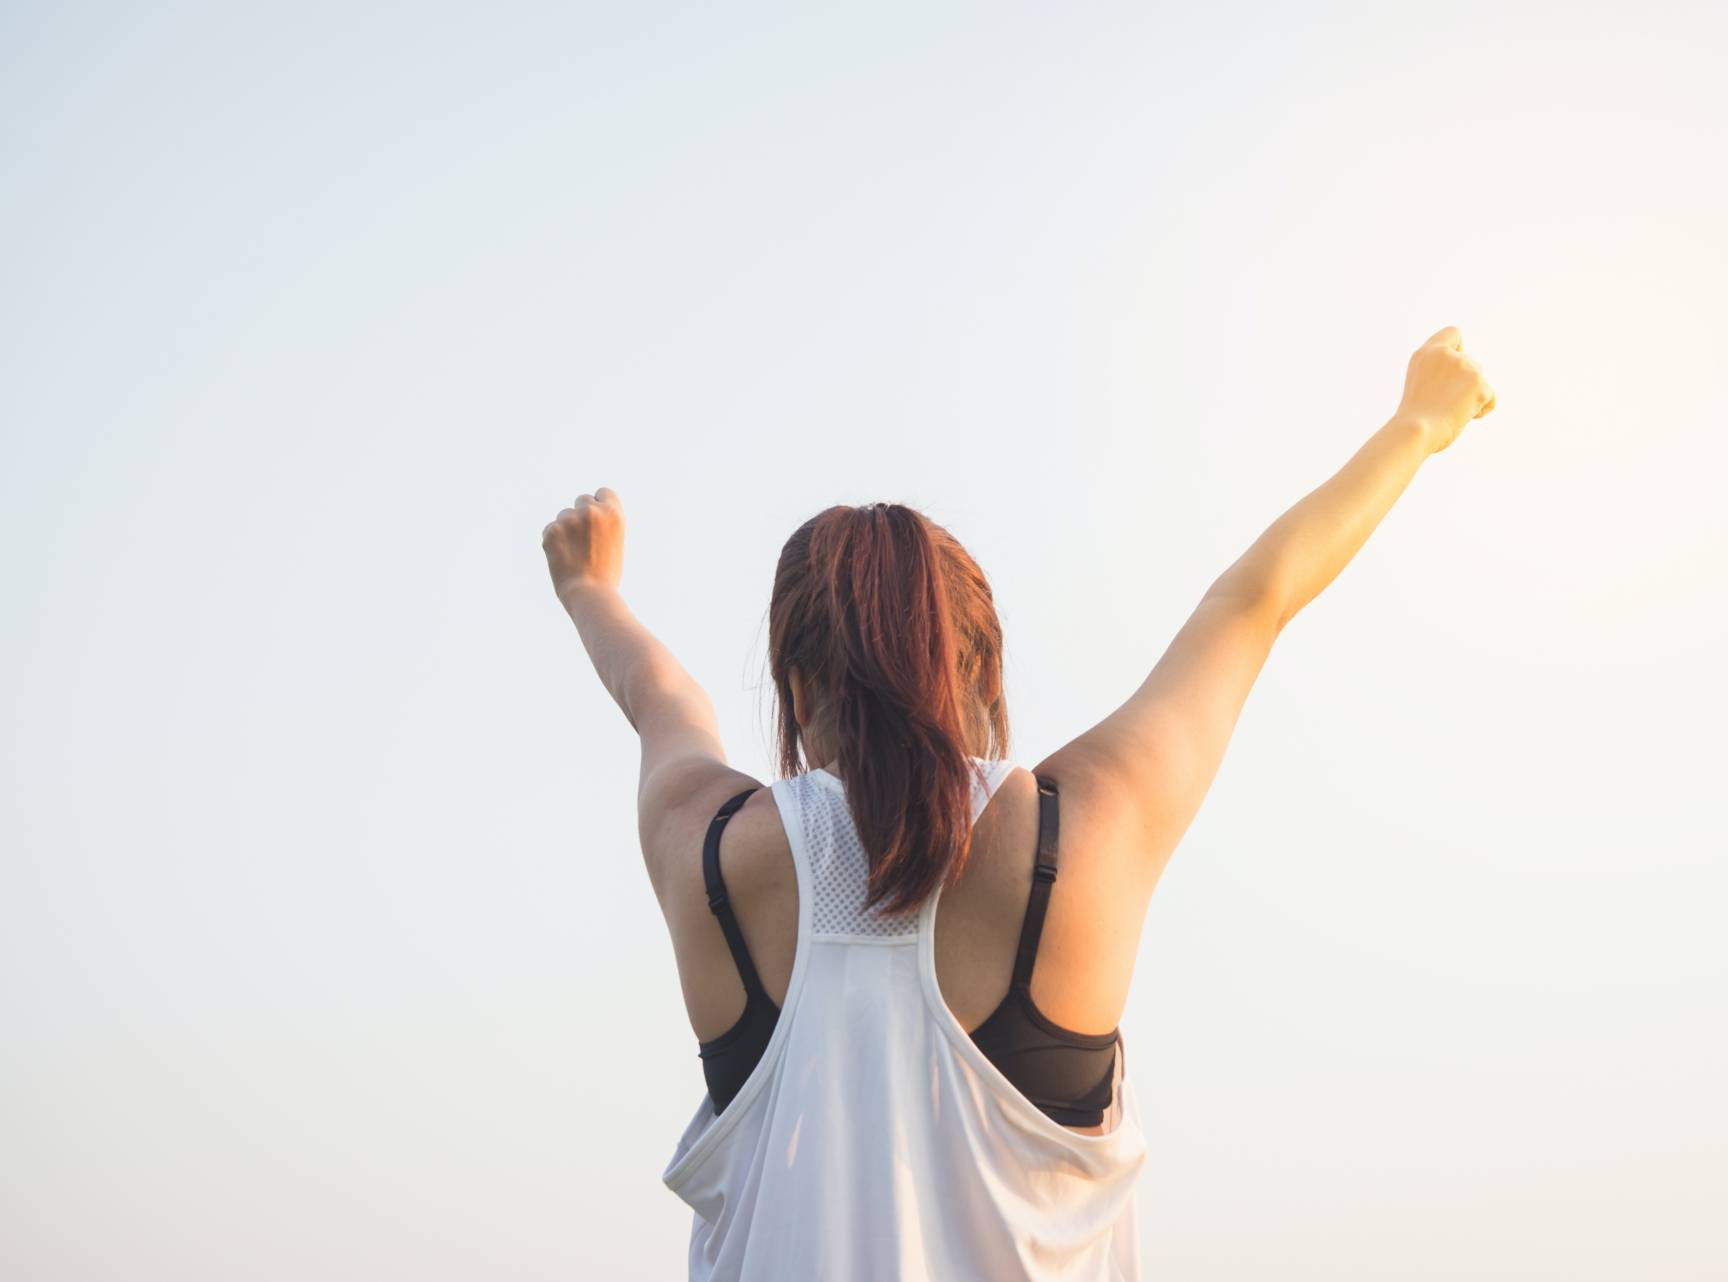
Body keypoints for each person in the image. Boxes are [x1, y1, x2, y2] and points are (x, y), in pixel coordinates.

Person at [541, 327, 1498, 1280]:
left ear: (793, 689)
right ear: (983, 672)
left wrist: (590, 586)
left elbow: (662, 701)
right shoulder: (1080, 836)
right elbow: (1251, 603)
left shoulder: (708, 855)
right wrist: (1418, 422)